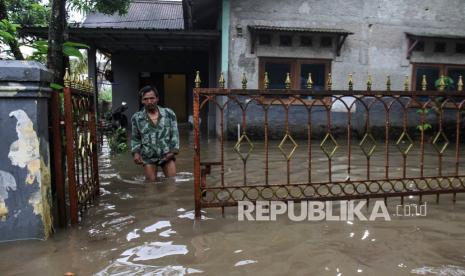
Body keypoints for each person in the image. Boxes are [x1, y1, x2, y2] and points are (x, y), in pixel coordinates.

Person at [131, 86, 179, 181]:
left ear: (157, 98)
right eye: (146, 99)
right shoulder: (136, 118)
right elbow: (135, 138)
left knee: (172, 183)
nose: (149, 101)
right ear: (142, 101)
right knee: (151, 185)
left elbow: (175, 134)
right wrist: (136, 153)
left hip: (167, 154)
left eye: (152, 98)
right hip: (148, 156)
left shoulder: (169, 114)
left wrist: (173, 151)